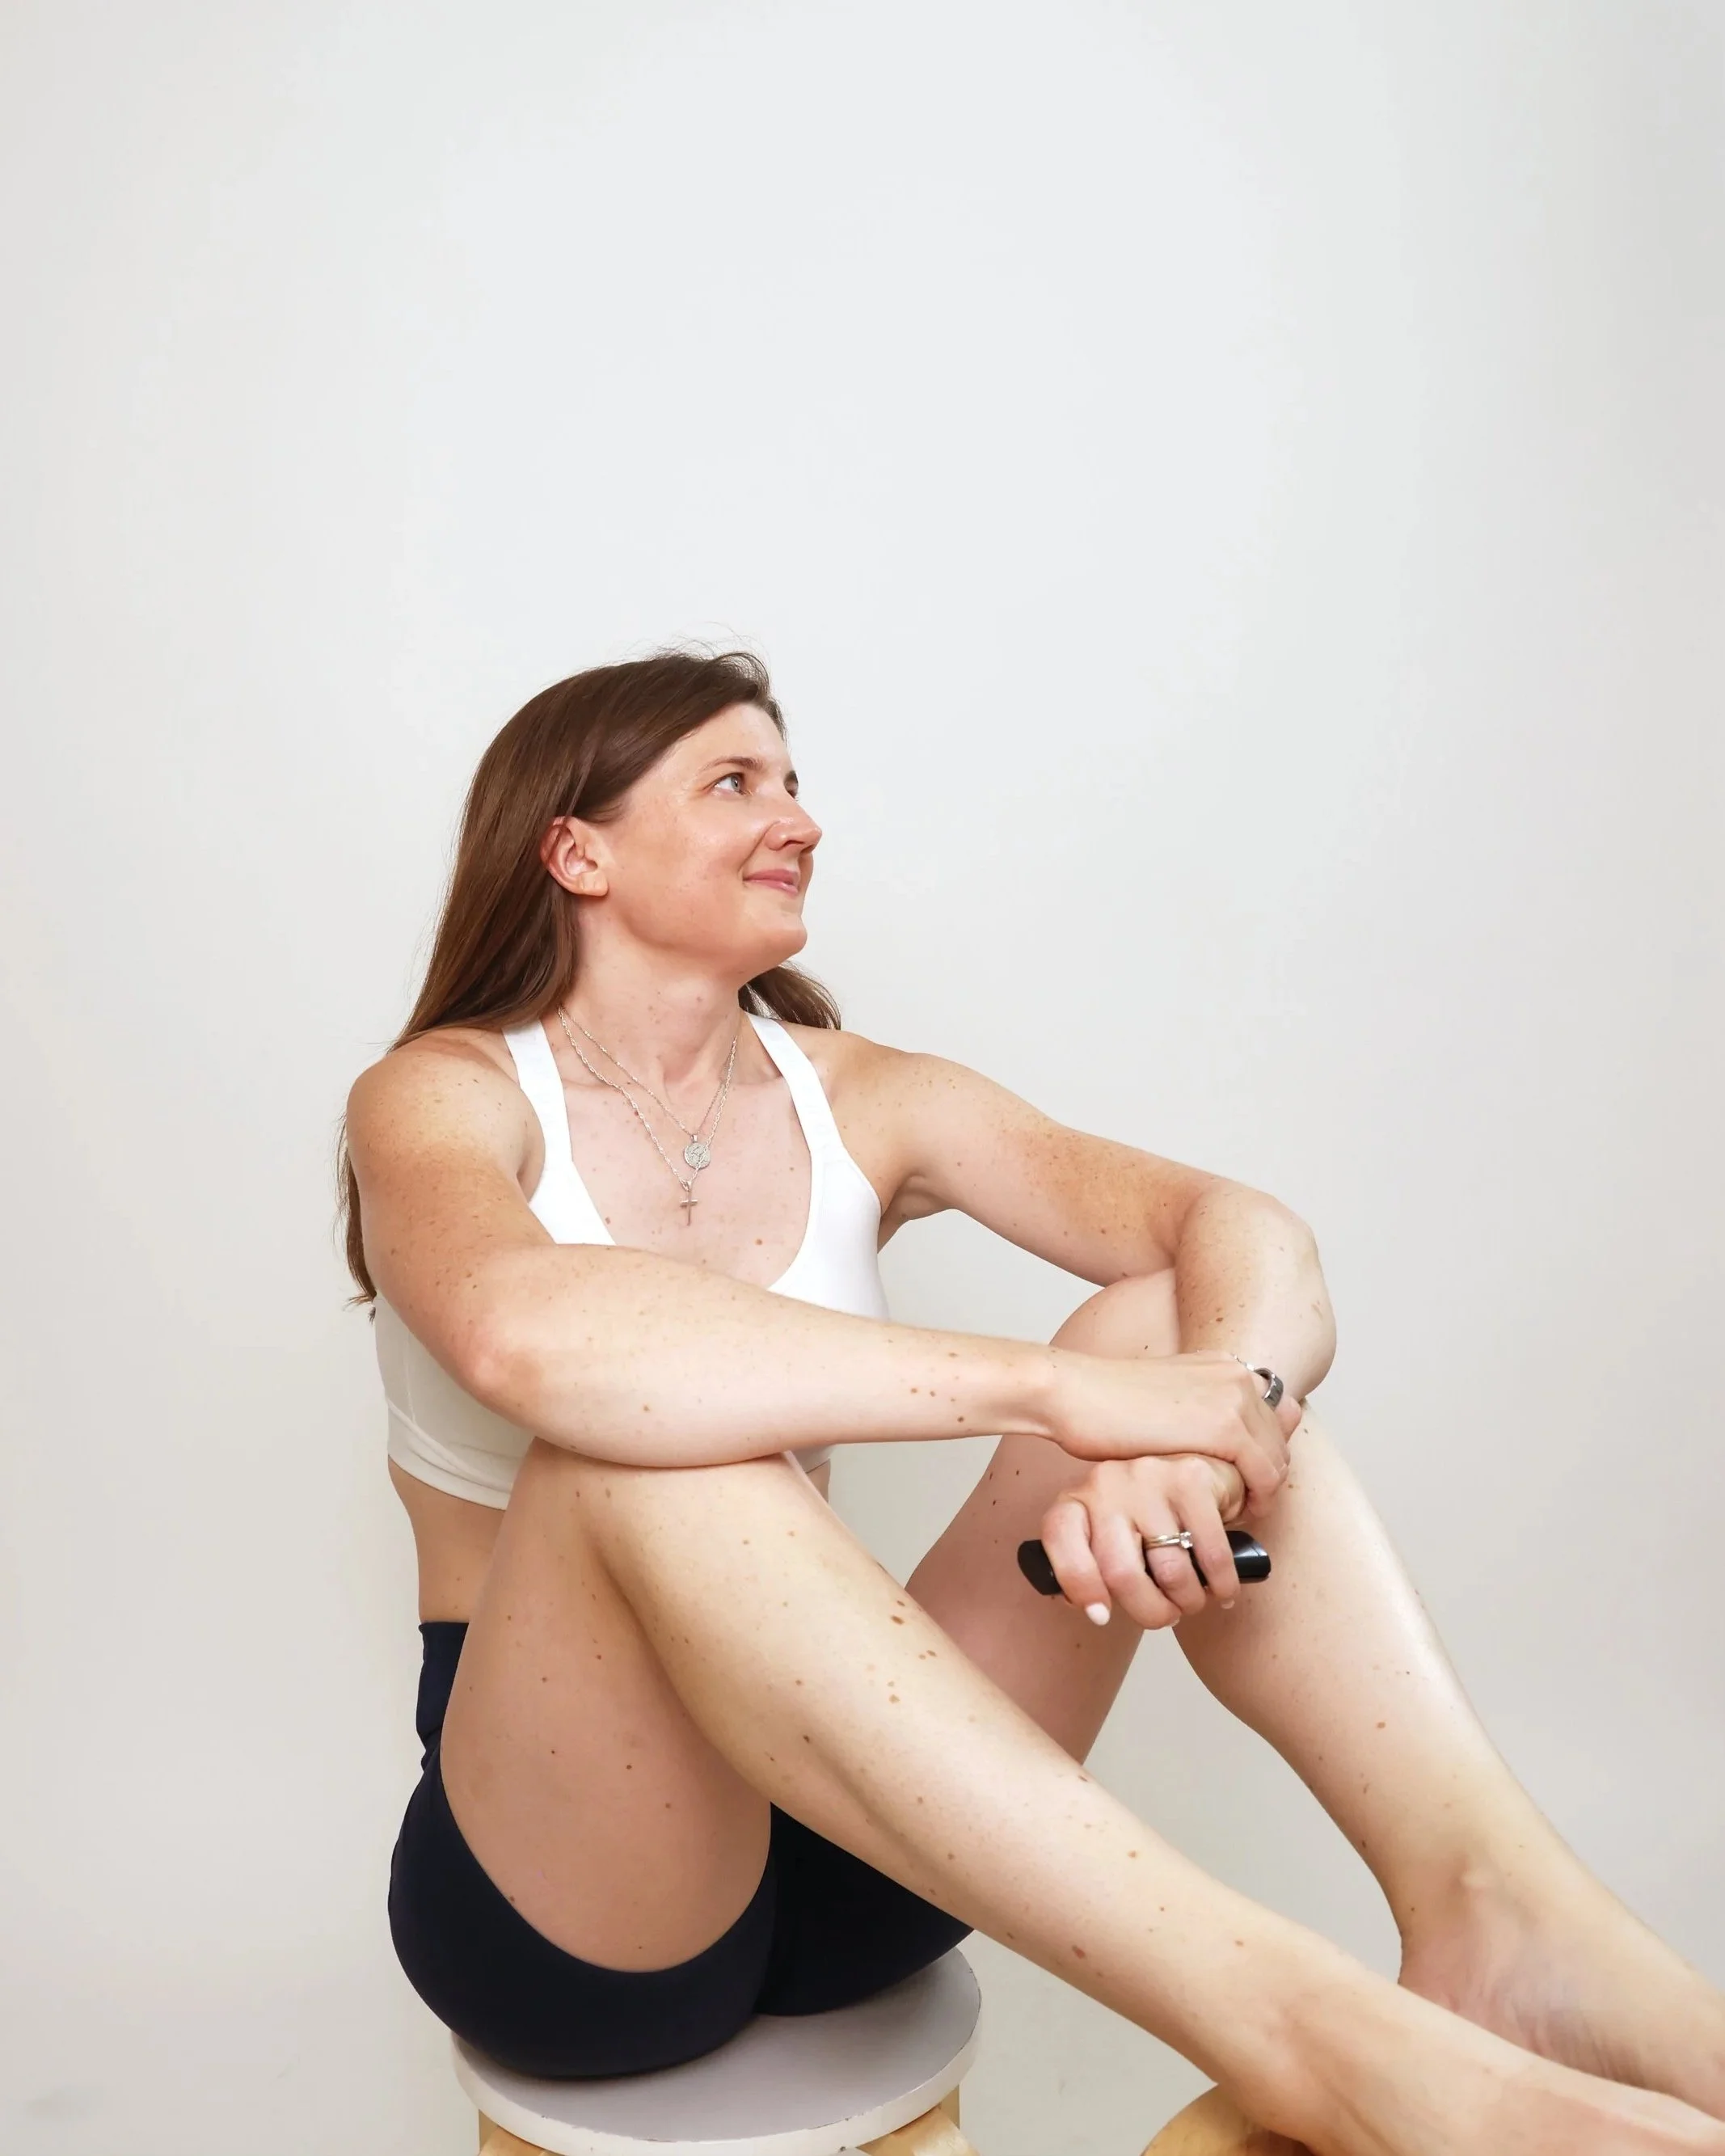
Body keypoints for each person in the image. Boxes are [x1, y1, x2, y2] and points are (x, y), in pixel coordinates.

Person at [340, 648, 1725, 2155]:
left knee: (1164, 1321)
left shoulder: (858, 1091)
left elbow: (1242, 1229)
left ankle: (1499, 1918)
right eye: (734, 781)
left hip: (868, 1817)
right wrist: (1061, 1395)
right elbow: (526, 1341)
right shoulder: (442, 1095)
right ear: (575, 848)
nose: (795, 816)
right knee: (644, 1451)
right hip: (581, 1905)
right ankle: (1312, 2033)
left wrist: (1206, 1428)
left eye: (794, 780)